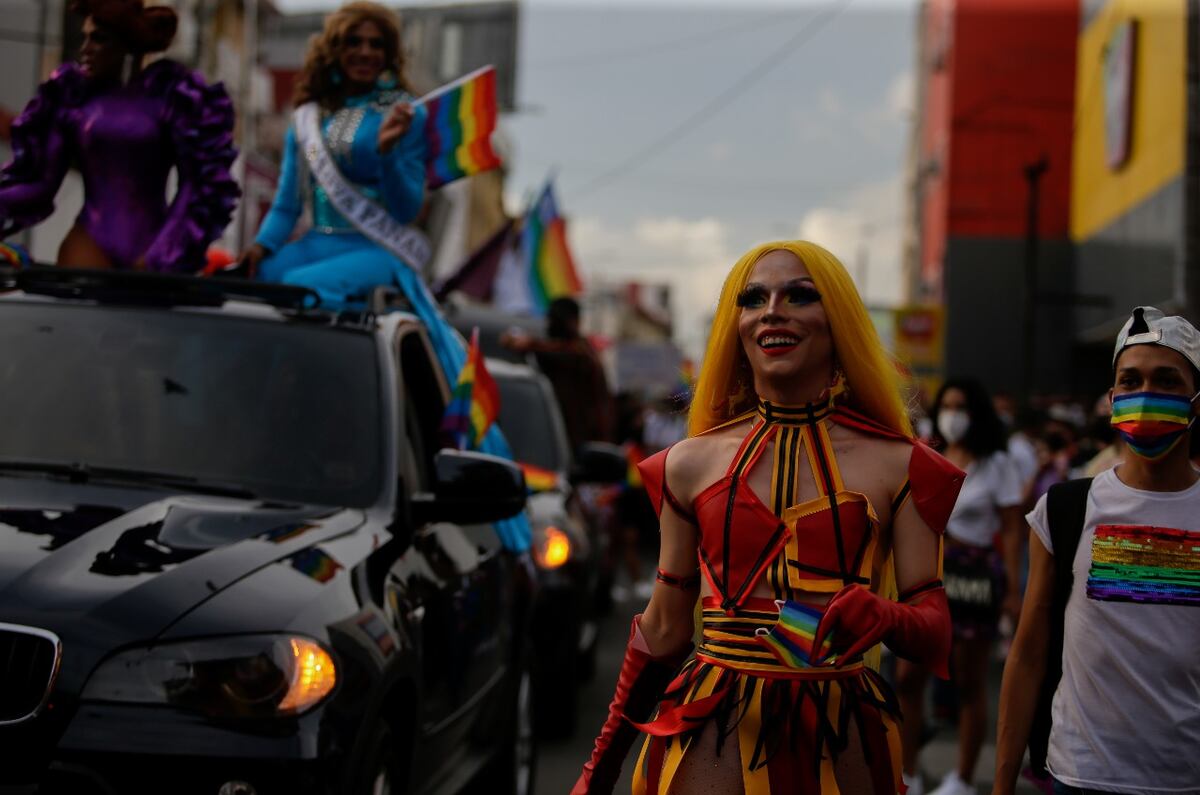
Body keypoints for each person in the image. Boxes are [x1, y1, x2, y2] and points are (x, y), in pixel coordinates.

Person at [573, 240, 965, 794]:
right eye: (753, 297)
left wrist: (885, 616)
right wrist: (597, 773)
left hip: (844, 736)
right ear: (737, 325)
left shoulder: (901, 466)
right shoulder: (687, 464)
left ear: (839, 322)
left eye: (800, 295)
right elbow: (662, 629)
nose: (772, 309)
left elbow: (934, 631)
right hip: (714, 734)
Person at [993, 306, 1200, 795]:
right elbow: (1027, 653)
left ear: (1195, 403)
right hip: (1080, 776)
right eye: (1130, 381)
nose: (1146, 396)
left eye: (1167, 381)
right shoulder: (1066, 508)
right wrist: (1002, 783)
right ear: (1111, 400)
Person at [0, 0, 238, 271]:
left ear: (127, 45)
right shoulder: (72, 97)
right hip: (89, 242)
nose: (84, 49)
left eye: (98, 39)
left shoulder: (172, 96)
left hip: (155, 249)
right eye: (84, 37)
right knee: (76, 311)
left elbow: (198, 184)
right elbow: (39, 181)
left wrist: (166, 249)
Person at [241, 1, 428, 312]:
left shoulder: (404, 113)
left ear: (389, 53)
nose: (365, 52)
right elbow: (287, 205)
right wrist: (260, 247)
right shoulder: (309, 118)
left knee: (301, 287)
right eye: (353, 41)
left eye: (376, 44)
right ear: (334, 49)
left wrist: (387, 154)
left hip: (379, 249)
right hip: (317, 242)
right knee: (254, 279)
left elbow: (407, 210)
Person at [897, 378, 1024, 795]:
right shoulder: (930, 452)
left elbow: (1010, 527)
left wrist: (1011, 591)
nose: (952, 415)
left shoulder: (996, 464)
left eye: (961, 406)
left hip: (974, 578)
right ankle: (908, 771)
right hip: (927, 573)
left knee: (969, 682)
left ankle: (964, 779)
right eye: (947, 405)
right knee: (908, 676)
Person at [501, 296, 615, 450]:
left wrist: (528, 344)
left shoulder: (580, 354)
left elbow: (565, 352)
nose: (549, 325)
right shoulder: (575, 351)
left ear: (573, 321)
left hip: (582, 446)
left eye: (553, 320)